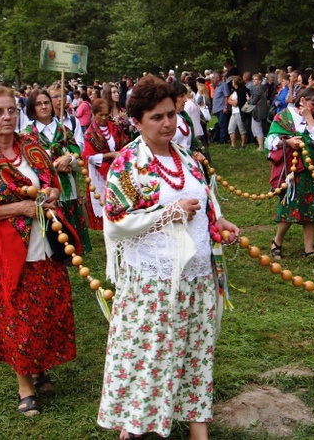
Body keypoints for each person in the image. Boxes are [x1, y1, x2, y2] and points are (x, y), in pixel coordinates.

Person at [97, 75, 239, 440]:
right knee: (150, 357)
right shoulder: (128, 164)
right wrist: (168, 213)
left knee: (196, 353)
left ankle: (198, 428)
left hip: (196, 275)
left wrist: (218, 220)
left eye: (171, 115)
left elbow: (204, 198)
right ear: (138, 121)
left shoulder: (188, 159)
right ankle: (136, 425)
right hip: (153, 280)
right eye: (157, 117)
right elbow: (116, 222)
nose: (168, 124)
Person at [0, 85, 78, 416]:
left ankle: (39, 365)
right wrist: (19, 208)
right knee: (14, 313)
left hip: (43, 241)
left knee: (43, 307)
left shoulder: (31, 146)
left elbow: (49, 179)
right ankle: (24, 383)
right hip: (4, 250)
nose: (7, 117)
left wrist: (51, 192)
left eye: (11, 110)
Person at [22, 88, 91, 254]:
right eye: (38, 104)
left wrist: (69, 159)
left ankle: (76, 246)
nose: (44, 106)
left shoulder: (64, 131)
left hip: (68, 186)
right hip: (45, 187)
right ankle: (56, 250)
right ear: (32, 108)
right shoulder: (28, 135)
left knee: (70, 216)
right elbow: (27, 164)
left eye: (46, 102)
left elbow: (78, 156)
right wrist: (53, 164)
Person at [267, 88, 314, 260]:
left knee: (311, 209)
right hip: (292, 174)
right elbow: (270, 139)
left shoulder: (312, 121)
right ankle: (277, 241)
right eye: (313, 104)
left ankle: (309, 249)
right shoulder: (284, 117)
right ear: (302, 100)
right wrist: (287, 141)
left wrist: (309, 117)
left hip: (309, 172)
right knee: (289, 208)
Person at [83, 97, 128, 230]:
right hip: (99, 171)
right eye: (100, 115)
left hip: (118, 168)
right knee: (105, 200)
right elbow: (89, 157)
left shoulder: (114, 128)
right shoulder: (89, 134)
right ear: (94, 114)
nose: (103, 118)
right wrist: (111, 155)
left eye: (106, 115)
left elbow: (125, 144)